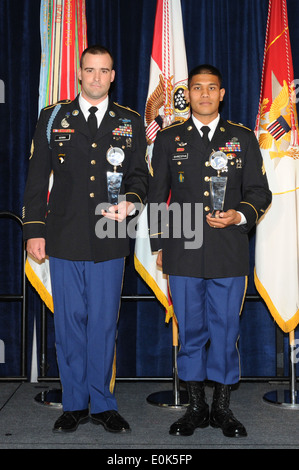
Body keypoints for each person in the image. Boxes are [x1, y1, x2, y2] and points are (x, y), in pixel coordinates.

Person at [22, 45, 148, 433]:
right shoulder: (53, 116)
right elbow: (36, 178)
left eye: (103, 70)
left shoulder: (129, 120)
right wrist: (34, 230)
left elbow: (140, 176)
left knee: (103, 324)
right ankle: (74, 402)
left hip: (109, 235)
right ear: (79, 73)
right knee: (70, 323)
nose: (96, 77)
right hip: (64, 234)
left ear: (113, 76)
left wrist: (132, 201)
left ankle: (103, 403)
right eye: (89, 70)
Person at [147, 64, 272, 438]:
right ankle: (196, 406)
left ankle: (222, 407)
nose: (204, 94)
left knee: (225, 329)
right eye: (197, 88)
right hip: (183, 249)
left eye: (211, 88)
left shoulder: (242, 138)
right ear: (189, 95)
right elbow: (157, 197)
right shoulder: (170, 139)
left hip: (227, 250)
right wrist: (160, 245)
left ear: (221, 94)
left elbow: (259, 193)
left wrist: (239, 215)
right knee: (191, 331)